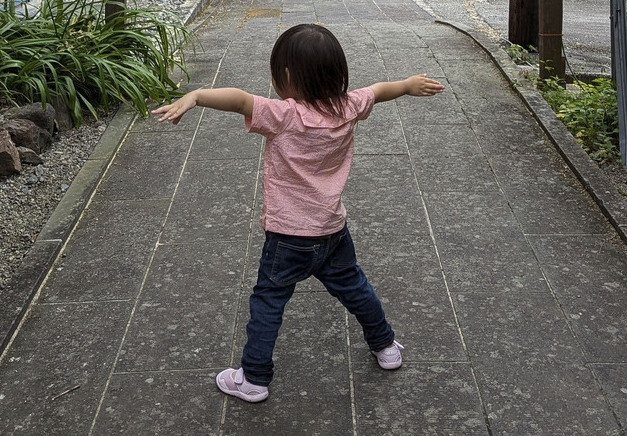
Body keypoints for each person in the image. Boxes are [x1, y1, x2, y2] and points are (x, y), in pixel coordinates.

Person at [152, 22, 445, 404]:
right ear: (337, 75)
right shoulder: (348, 107)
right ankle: (386, 346)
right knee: (355, 289)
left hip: (287, 236)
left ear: (286, 76)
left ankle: (253, 379)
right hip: (331, 229)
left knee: (268, 302)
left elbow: (241, 100)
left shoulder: (285, 115)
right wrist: (407, 85)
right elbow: (378, 91)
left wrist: (196, 97)